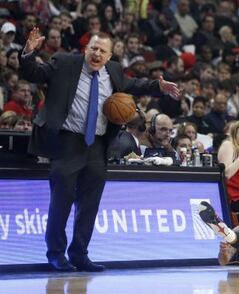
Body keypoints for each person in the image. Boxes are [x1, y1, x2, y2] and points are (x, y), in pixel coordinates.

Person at [19, 28, 180, 272]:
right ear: (86, 48)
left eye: (102, 50)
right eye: (93, 48)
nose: (96, 53)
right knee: (60, 202)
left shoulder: (113, 70)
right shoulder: (64, 62)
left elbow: (133, 84)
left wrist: (159, 86)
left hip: (98, 145)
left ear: (110, 55)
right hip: (67, 142)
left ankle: (80, 254)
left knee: (90, 204)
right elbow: (33, 72)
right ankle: (55, 255)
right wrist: (29, 52)